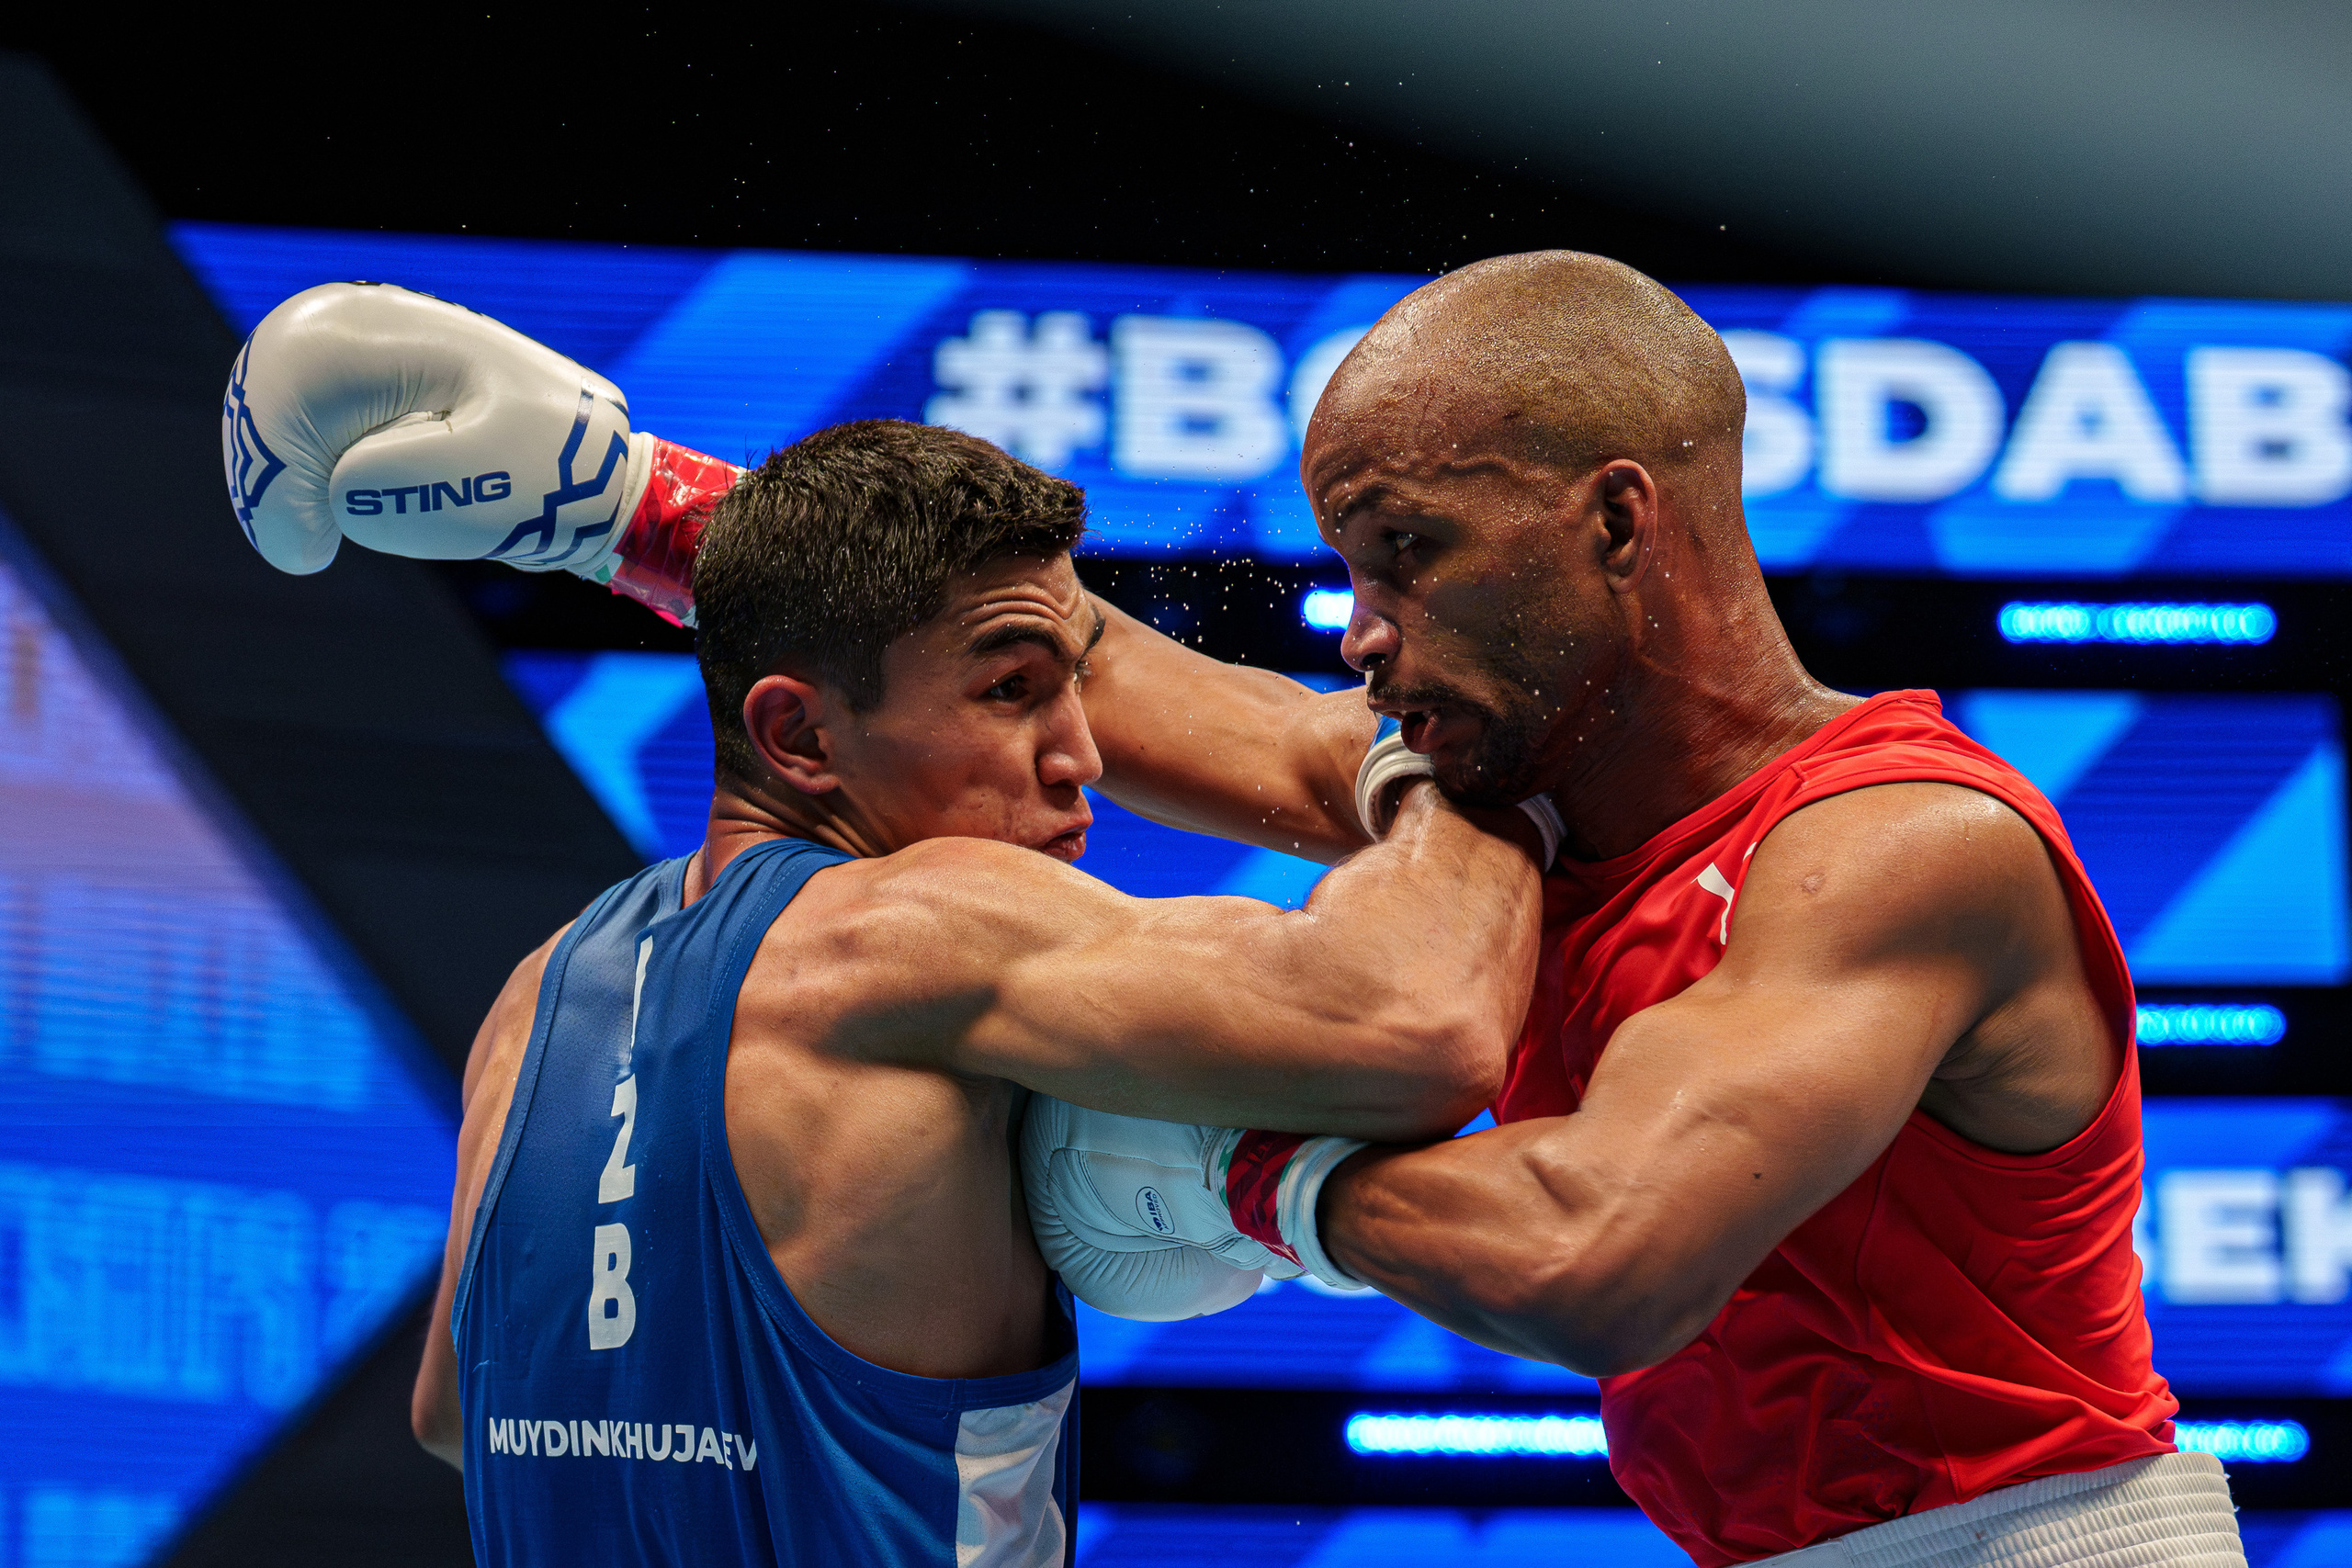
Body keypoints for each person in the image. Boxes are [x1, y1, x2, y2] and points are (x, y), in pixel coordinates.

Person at [222, 284, 1549, 1568]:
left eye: (1072, 689)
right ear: (799, 735)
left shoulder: (541, 990)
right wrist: (1492, 765)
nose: (1085, 755)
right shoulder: (926, 926)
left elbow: (454, 1415)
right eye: (1011, 691)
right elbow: (1417, 1018)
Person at [1034, 253, 2243, 1567]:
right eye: (1355, 571)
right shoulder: (1525, 793)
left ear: (1617, 524)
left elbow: (1598, 1252)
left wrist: (1240, 1174)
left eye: (1409, 553)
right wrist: (776, 522)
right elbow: (1091, 658)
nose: (1361, 635)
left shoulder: (1899, 848)